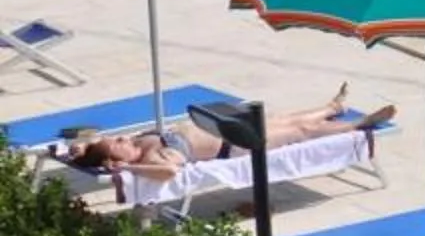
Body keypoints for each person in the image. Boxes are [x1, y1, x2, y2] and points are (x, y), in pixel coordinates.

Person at [62, 87, 396, 179]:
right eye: (116, 145)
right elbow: (170, 171)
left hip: (224, 127)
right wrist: (128, 168)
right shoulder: (152, 157)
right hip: (236, 146)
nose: (122, 139)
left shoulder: (137, 144)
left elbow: (85, 149)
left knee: (283, 117)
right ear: (115, 162)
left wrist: (81, 151)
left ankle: (330, 109)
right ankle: (357, 125)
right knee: (299, 131)